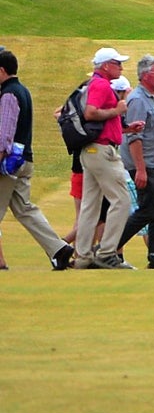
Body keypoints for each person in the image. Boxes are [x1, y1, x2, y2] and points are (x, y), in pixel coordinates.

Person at [0, 48, 72, 269]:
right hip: (24, 161)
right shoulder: (24, 91)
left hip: (8, 164)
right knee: (25, 209)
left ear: (1, 70)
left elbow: (4, 135)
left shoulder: (8, 94)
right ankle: (59, 249)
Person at [72, 47, 131, 267]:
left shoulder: (95, 83)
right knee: (122, 200)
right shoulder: (100, 84)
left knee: (90, 205)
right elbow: (91, 113)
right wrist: (117, 111)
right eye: (117, 63)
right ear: (106, 65)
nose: (121, 67)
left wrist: (125, 128)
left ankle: (84, 257)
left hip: (93, 150)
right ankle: (106, 252)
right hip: (101, 150)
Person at [117, 55, 154, 266]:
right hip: (147, 165)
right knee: (146, 211)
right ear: (145, 75)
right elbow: (133, 136)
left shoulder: (151, 97)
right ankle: (107, 248)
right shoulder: (138, 99)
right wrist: (140, 169)